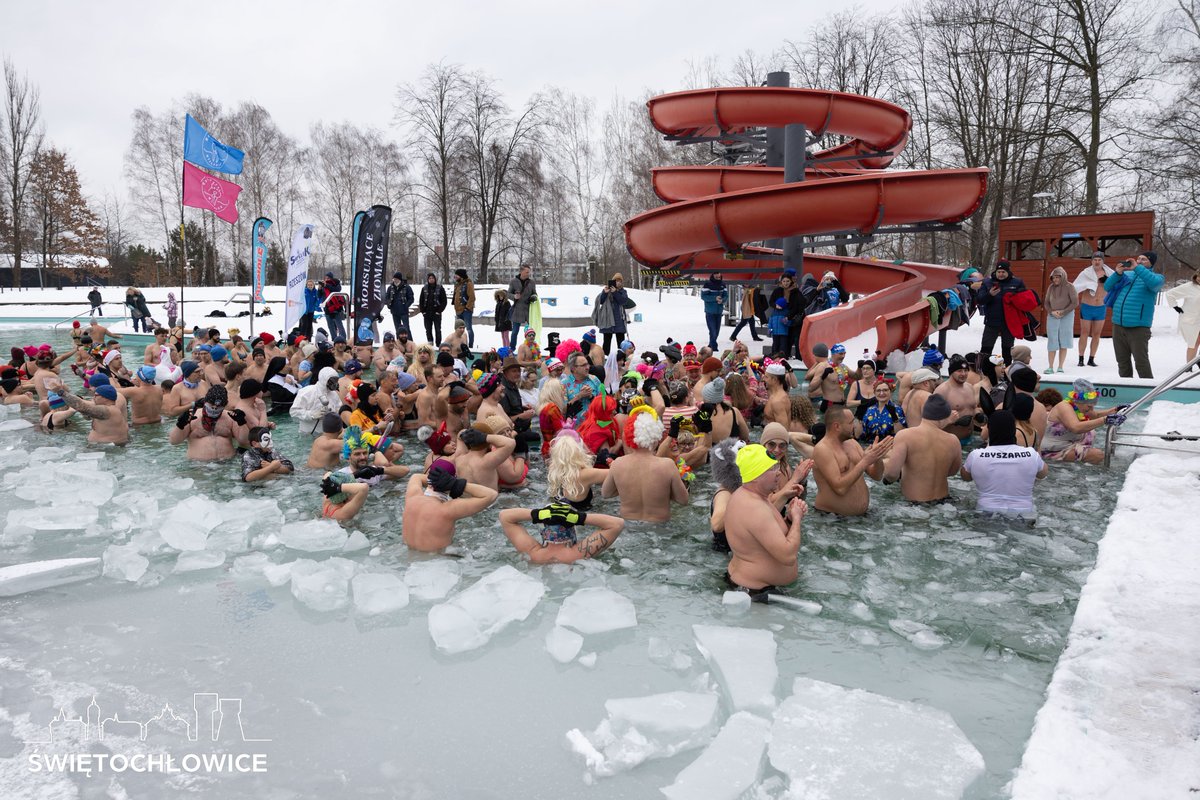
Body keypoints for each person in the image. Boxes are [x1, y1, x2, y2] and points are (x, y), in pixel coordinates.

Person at [724, 443, 808, 602]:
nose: (778, 473)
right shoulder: (754, 508)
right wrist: (797, 519)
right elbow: (788, 556)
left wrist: (789, 519)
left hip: (752, 587)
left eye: (776, 466)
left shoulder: (752, 497)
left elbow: (771, 537)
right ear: (755, 476)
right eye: (771, 469)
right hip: (755, 594)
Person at [601, 406, 689, 522]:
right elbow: (683, 500)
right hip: (660, 528)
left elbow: (606, 494)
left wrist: (625, 488)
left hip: (629, 528)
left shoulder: (618, 464)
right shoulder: (667, 465)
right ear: (656, 437)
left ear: (629, 436)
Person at [961, 410, 1047, 519]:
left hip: (986, 512)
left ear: (990, 429)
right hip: (1023, 514)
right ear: (1013, 430)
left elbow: (965, 477)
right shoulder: (1031, 454)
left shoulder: (976, 455)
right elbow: (1043, 474)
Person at [811, 405, 892, 516]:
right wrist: (865, 461)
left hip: (860, 518)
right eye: (850, 423)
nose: (854, 426)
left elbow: (876, 476)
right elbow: (840, 488)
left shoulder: (852, 443)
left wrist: (877, 457)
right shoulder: (823, 449)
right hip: (831, 520)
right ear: (837, 426)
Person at [401, 460, 498, 552]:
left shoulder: (412, 497)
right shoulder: (447, 510)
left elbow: (416, 476)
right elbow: (491, 495)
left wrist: (433, 479)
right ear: (452, 479)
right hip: (437, 563)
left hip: (409, 560)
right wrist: (456, 484)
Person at [882, 394, 962, 503]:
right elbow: (952, 472)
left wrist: (888, 479)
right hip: (944, 502)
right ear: (944, 417)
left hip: (915, 505)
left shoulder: (905, 436)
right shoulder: (953, 440)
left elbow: (891, 474)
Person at [498, 502, 626, 564]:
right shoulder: (578, 554)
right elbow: (617, 524)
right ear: (572, 529)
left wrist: (539, 514)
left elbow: (505, 516)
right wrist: (578, 518)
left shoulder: (533, 553)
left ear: (544, 529)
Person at [1105, 251, 1164, 378]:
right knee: (1122, 362)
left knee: (1141, 363)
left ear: (1151, 263)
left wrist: (1137, 268)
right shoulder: (1127, 275)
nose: (1139, 261)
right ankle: (1127, 390)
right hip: (1118, 325)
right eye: (1138, 259)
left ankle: (1148, 392)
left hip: (1139, 327)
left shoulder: (1157, 278)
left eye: (1144, 259)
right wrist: (1117, 273)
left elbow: (1154, 284)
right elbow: (1107, 286)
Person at [168, 385, 250, 460]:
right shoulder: (191, 417)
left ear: (225, 405)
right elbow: (174, 441)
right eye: (211, 405)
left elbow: (245, 442)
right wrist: (180, 424)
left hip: (227, 464)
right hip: (198, 466)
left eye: (218, 407)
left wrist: (242, 422)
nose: (214, 408)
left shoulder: (230, 417)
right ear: (205, 401)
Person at [1041, 378, 1110, 464]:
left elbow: (1096, 415)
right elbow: (1075, 427)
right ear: (1078, 402)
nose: (1091, 409)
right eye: (1089, 406)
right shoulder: (1064, 407)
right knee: (1097, 455)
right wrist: (1105, 420)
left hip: (1069, 446)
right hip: (1053, 451)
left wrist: (1115, 410)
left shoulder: (1081, 407)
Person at [51, 378, 129, 445]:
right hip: (104, 447)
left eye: (96, 395)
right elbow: (86, 414)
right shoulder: (107, 410)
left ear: (105, 397)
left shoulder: (108, 410)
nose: (93, 397)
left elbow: (82, 407)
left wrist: (61, 392)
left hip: (107, 449)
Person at [977, 260, 1026, 364]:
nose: (1001, 274)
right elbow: (980, 300)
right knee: (986, 349)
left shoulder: (1017, 282)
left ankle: (1007, 374)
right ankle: (983, 372)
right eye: (999, 272)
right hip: (991, 321)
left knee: (1007, 351)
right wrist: (989, 295)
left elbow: (1024, 301)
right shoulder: (987, 282)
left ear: (1008, 271)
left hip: (1009, 323)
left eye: (1003, 272)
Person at [1073, 251, 1113, 367]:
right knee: (1084, 332)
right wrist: (1089, 285)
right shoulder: (1086, 273)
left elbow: (1117, 283)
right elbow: (1076, 286)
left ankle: (1091, 358)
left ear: (1102, 261)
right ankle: (1081, 358)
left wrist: (1108, 282)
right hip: (1087, 307)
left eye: (1099, 260)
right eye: (1094, 260)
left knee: (1097, 334)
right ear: (1091, 261)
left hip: (1101, 307)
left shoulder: (1109, 274)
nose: (1097, 262)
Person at [934, 354, 979, 442]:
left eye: (966, 370)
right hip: (949, 442)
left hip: (970, 439)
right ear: (951, 372)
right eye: (959, 370)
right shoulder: (942, 391)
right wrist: (949, 420)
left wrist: (978, 415)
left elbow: (973, 409)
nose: (963, 374)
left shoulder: (970, 387)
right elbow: (930, 422)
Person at [1044, 266, 1078, 374]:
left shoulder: (1070, 286)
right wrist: (1051, 311)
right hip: (1053, 315)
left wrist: (1063, 312)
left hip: (1067, 315)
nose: (1055, 280)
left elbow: (1075, 302)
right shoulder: (1051, 287)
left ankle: (1060, 366)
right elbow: (1046, 303)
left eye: (1057, 277)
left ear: (1062, 277)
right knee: (1052, 339)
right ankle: (1050, 366)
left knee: (1064, 339)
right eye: (1053, 278)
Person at [1166, 270, 1200, 367]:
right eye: (1198, 276)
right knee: (1193, 342)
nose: (1199, 279)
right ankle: (1188, 366)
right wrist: (1175, 306)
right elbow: (1170, 293)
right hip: (1191, 319)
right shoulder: (1189, 286)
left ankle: (1197, 360)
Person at [597, 273, 633, 354]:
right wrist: (605, 292)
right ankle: (605, 358)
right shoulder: (607, 290)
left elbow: (623, 301)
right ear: (613, 281)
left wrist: (615, 292)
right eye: (616, 281)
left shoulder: (623, 291)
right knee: (606, 342)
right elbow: (601, 301)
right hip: (608, 320)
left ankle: (621, 359)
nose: (618, 283)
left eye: (620, 281)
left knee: (621, 343)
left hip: (619, 320)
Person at [507, 264, 537, 339]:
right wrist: (514, 296)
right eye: (527, 272)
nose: (528, 274)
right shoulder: (513, 281)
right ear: (521, 271)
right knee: (514, 332)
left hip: (529, 310)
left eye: (529, 272)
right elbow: (508, 294)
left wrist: (533, 297)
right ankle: (512, 348)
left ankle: (532, 347)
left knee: (531, 332)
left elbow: (535, 294)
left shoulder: (531, 282)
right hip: (517, 310)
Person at [700, 275, 728, 351]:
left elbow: (726, 296)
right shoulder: (707, 284)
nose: (718, 278)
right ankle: (714, 347)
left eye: (719, 277)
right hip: (710, 311)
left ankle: (710, 345)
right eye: (716, 277)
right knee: (713, 331)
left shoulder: (723, 284)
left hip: (719, 311)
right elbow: (703, 297)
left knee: (716, 331)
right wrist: (714, 298)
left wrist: (722, 300)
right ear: (713, 276)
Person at [418, 272, 447, 344]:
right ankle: (430, 342)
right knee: (428, 329)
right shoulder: (424, 288)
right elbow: (421, 300)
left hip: (436, 312)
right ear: (428, 279)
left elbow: (444, 301)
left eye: (432, 278)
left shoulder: (440, 288)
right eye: (429, 278)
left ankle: (438, 343)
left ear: (435, 279)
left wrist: (439, 311)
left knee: (438, 329)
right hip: (427, 313)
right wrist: (423, 311)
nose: (431, 280)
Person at [451, 268, 476, 348]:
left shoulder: (468, 283)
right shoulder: (457, 285)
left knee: (468, 328)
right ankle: (460, 344)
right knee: (458, 329)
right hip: (458, 310)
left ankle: (471, 346)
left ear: (461, 276)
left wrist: (467, 308)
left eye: (457, 275)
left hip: (466, 311)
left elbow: (472, 297)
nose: (455, 277)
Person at [385, 272, 414, 338]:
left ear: (400, 279)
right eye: (394, 279)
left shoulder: (407, 287)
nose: (395, 280)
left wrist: (406, 306)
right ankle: (399, 343)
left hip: (404, 312)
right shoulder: (390, 288)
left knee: (406, 328)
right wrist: (389, 304)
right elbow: (386, 297)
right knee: (397, 329)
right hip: (394, 311)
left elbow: (411, 298)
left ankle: (409, 342)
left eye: (396, 279)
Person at [320, 273, 347, 341]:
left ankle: (343, 339)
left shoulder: (336, 283)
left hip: (336, 307)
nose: (326, 279)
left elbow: (337, 290)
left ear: (331, 278)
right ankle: (334, 340)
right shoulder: (323, 285)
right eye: (325, 278)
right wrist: (319, 289)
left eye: (328, 278)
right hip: (327, 307)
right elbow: (319, 296)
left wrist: (327, 285)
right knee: (330, 325)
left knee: (339, 324)